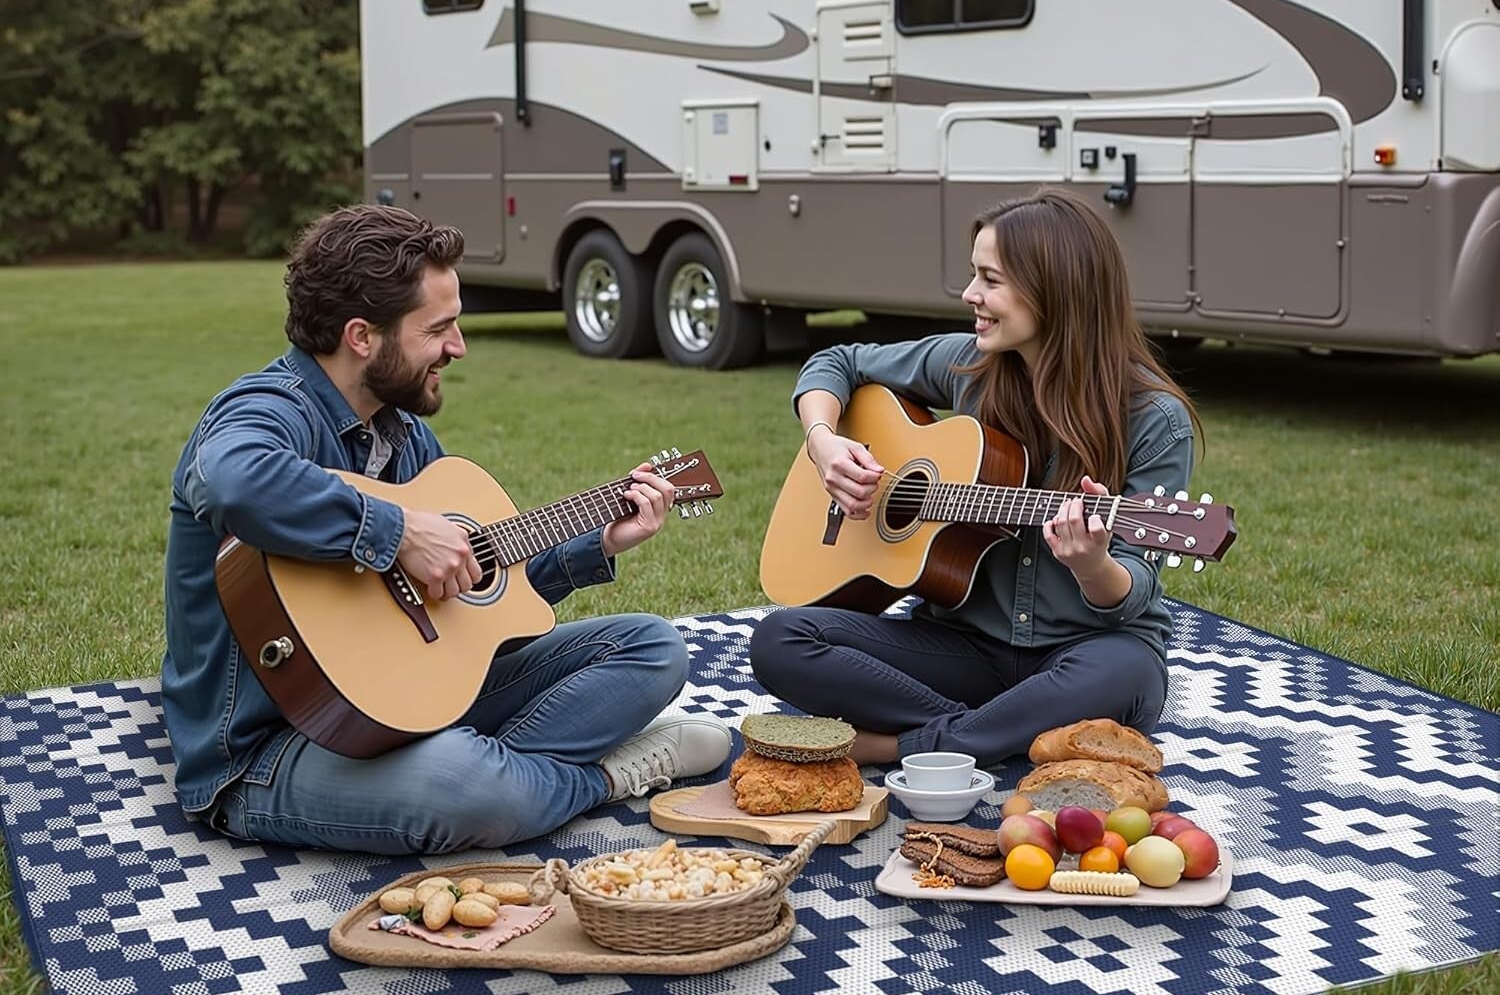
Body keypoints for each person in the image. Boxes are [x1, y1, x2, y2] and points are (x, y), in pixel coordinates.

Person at [163, 204, 730, 855]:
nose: (458, 347)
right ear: (361, 336)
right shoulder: (265, 411)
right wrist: (399, 530)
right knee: (462, 783)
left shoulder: (402, 433)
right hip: (265, 750)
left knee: (653, 646)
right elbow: (234, 481)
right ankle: (598, 777)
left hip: (408, 699)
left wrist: (598, 541)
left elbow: (475, 588)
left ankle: (498, 771)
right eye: (440, 329)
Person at [750, 189, 1201, 769]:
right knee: (779, 641)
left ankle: (902, 745)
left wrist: (1092, 564)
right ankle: (1002, 730)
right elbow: (837, 361)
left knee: (1128, 674)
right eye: (974, 275)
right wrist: (824, 444)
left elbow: (1131, 590)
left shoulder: (1155, 420)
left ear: (1056, 290)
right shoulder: (968, 365)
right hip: (962, 649)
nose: (970, 295)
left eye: (990, 279)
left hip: (1082, 651)